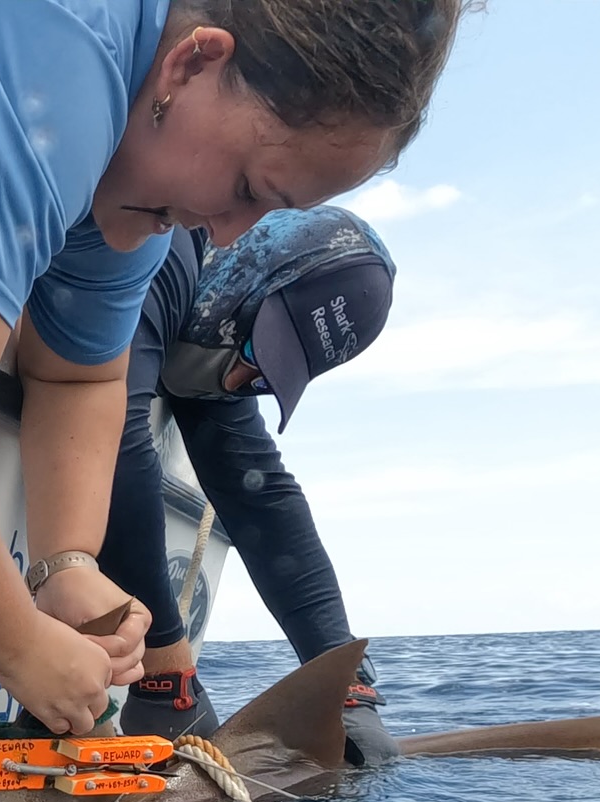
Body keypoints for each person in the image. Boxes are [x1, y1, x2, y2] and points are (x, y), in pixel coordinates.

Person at [0, 0, 473, 735]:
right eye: (247, 189)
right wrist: (19, 645)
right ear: (190, 66)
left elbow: (82, 378)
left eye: (273, 214)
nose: (231, 236)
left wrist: (65, 565)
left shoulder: (136, 189)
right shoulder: (59, 53)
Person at [104, 208, 400, 765]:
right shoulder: (159, 250)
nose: (240, 380)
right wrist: (167, 673)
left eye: (270, 372)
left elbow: (261, 498)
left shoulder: (220, 345)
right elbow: (109, 438)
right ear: (240, 263)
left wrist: (343, 678)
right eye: (254, 345)